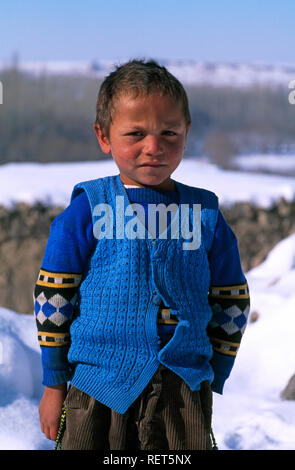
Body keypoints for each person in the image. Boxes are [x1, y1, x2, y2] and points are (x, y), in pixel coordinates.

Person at [34, 59, 250, 450]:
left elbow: (231, 298)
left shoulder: (204, 215)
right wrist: (54, 383)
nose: (154, 147)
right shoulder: (88, 209)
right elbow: (54, 297)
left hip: (183, 390)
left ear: (187, 132)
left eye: (170, 132)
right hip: (96, 387)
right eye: (135, 133)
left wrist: (214, 370)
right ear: (103, 136)